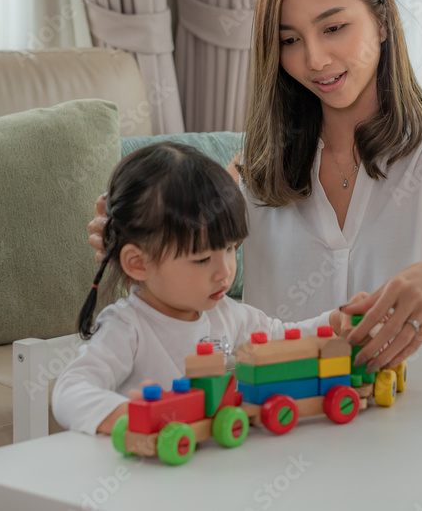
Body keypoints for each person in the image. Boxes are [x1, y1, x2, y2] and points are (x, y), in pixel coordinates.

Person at [89, 0, 422, 379]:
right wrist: (137, 233)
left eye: (334, 28)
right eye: (290, 40)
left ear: (383, 22)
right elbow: (184, 243)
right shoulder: (258, 164)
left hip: (415, 416)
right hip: (284, 415)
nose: (314, 59)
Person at [55, 141, 348, 436]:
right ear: (138, 263)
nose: (225, 271)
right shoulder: (127, 327)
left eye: (231, 249)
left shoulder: (227, 314)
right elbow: (70, 390)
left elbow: (281, 338)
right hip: (144, 473)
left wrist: (333, 322)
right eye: (203, 258)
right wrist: (125, 415)